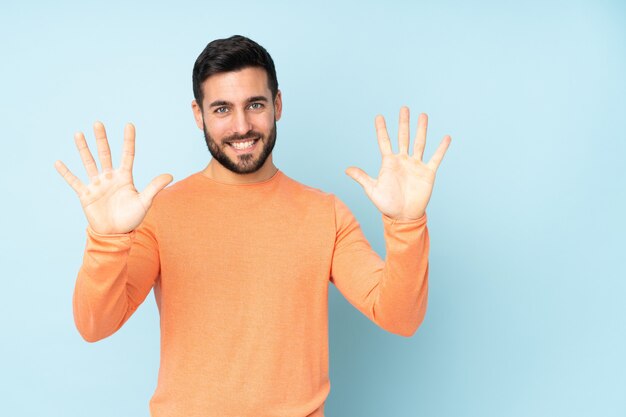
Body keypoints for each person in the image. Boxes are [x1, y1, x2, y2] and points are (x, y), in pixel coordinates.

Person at [55, 35, 451, 417]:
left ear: (277, 104)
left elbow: (400, 317)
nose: (242, 126)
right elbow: (95, 325)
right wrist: (107, 240)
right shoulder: (160, 213)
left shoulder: (324, 213)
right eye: (222, 109)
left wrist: (406, 224)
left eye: (255, 104)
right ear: (199, 115)